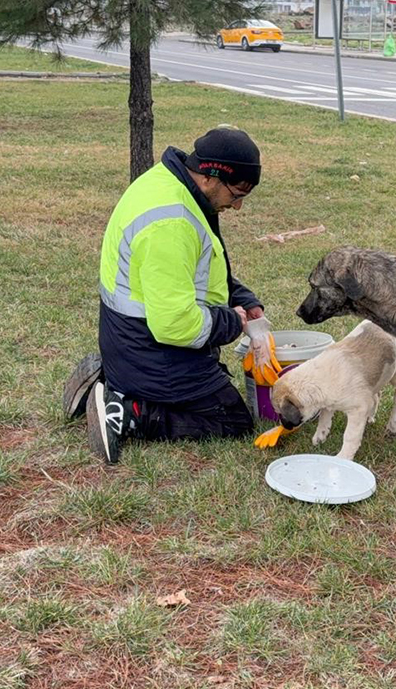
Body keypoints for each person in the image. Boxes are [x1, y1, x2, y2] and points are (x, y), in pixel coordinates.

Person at [62, 128, 269, 463]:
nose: (239, 205)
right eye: (237, 192)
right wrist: (230, 323)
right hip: (151, 349)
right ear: (211, 176)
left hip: (129, 339)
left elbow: (197, 271)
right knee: (232, 420)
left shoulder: (169, 184)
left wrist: (240, 297)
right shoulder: (171, 222)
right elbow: (174, 325)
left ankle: (110, 378)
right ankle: (128, 412)